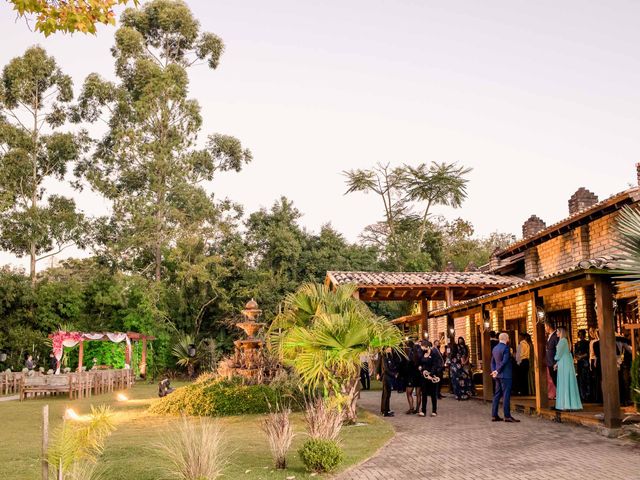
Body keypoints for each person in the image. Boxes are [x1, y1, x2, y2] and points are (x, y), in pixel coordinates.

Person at [491, 332, 519, 422]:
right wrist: (497, 371)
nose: (508, 340)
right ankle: (507, 416)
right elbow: (505, 361)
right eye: (508, 338)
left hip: (498, 375)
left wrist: (494, 371)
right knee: (506, 395)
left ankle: (494, 415)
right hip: (505, 375)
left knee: (497, 394)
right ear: (506, 339)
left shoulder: (495, 348)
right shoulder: (506, 348)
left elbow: (492, 362)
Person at [554, 327, 582, 411]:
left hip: (564, 363)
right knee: (566, 382)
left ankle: (565, 404)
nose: (556, 333)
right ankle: (567, 403)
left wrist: (555, 360)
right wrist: (557, 363)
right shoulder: (565, 341)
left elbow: (559, 354)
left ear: (561, 332)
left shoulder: (562, 341)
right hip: (565, 362)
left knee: (565, 382)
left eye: (558, 331)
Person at [417, 340, 443, 417]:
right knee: (424, 394)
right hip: (424, 377)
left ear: (427, 347)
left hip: (432, 377)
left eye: (423, 347)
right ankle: (423, 410)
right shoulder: (422, 354)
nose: (422, 348)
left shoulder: (434, 354)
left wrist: (430, 374)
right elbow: (420, 364)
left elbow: (435, 365)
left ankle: (434, 411)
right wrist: (421, 369)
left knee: (433, 394)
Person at [376, 347, 399, 417]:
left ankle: (385, 409)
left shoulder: (389, 355)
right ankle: (385, 411)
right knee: (386, 394)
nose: (390, 349)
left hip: (388, 376)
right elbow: (385, 369)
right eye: (388, 348)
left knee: (387, 394)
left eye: (390, 348)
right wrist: (394, 374)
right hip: (386, 377)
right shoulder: (384, 356)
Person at [574, 329, 590, 402]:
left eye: (581, 334)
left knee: (586, 379)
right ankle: (581, 396)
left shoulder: (587, 343)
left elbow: (588, 353)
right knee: (580, 380)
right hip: (579, 363)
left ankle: (587, 396)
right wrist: (577, 357)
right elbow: (575, 353)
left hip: (585, 362)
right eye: (579, 334)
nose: (580, 336)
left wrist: (582, 356)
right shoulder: (577, 344)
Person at [545, 320, 558, 399]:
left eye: (545, 327)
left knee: (556, 379)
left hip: (553, 362)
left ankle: (559, 395)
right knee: (553, 379)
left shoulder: (555, 336)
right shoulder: (549, 336)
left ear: (548, 326)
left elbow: (557, 349)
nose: (545, 328)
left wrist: (556, 362)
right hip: (549, 361)